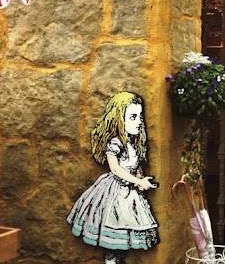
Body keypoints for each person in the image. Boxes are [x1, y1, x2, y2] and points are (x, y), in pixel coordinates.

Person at [67, 91, 159, 263]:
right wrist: (137, 181)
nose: (139, 122)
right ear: (119, 119)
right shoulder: (115, 143)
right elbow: (115, 169)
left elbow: (134, 166)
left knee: (124, 239)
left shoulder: (133, 144)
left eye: (140, 117)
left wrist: (140, 180)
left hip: (130, 194)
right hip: (115, 194)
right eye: (133, 117)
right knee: (113, 237)